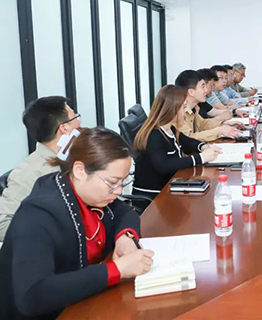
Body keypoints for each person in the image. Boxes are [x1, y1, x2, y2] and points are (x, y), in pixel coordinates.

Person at [0, 127, 154, 319]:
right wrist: (117, 270)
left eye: (123, 182)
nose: (119, 191)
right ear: (80, 170)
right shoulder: (37, 217)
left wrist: (125, 238)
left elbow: (125, 212)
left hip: (81, 303)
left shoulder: (89, 194)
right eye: (112, 182)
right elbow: (32, 296)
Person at [0, 96, 81, 241]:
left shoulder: (78, 158)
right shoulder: (28, 173)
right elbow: (3, 224)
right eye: (76, 117)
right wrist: (50, 235)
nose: (79, 122)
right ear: (64, 128)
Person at [133, 85, 221, 208]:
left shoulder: (170, 128)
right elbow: (163, 165)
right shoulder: (154, 135)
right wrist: (201, 158)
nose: (185, 111)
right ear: (172, 109)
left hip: (170, 187)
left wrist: (204, 147)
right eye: (183, 107)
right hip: (154, 198)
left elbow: (188, 142)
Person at [174, 70, 242, 141]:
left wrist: (223, 124)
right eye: (203, 87)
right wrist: (219, 131)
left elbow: (202, 124)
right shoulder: (179, 111)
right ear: (191, 92)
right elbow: (189, 138)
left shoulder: (194, 107)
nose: (206, 90)